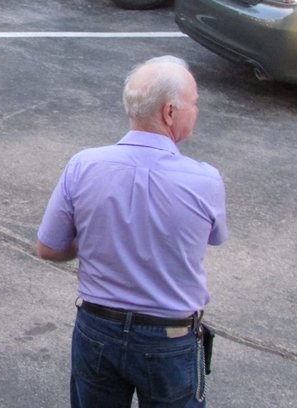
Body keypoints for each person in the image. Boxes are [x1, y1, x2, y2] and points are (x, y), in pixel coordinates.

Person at [36, 56, 227, 408]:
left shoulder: (83, 164)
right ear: (170, 112)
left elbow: (48, 248)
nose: (196, 111)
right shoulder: (205, 180)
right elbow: (212, 237)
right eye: (195, 103)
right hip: (170, 338)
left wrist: (90, 238)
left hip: (97, 329)